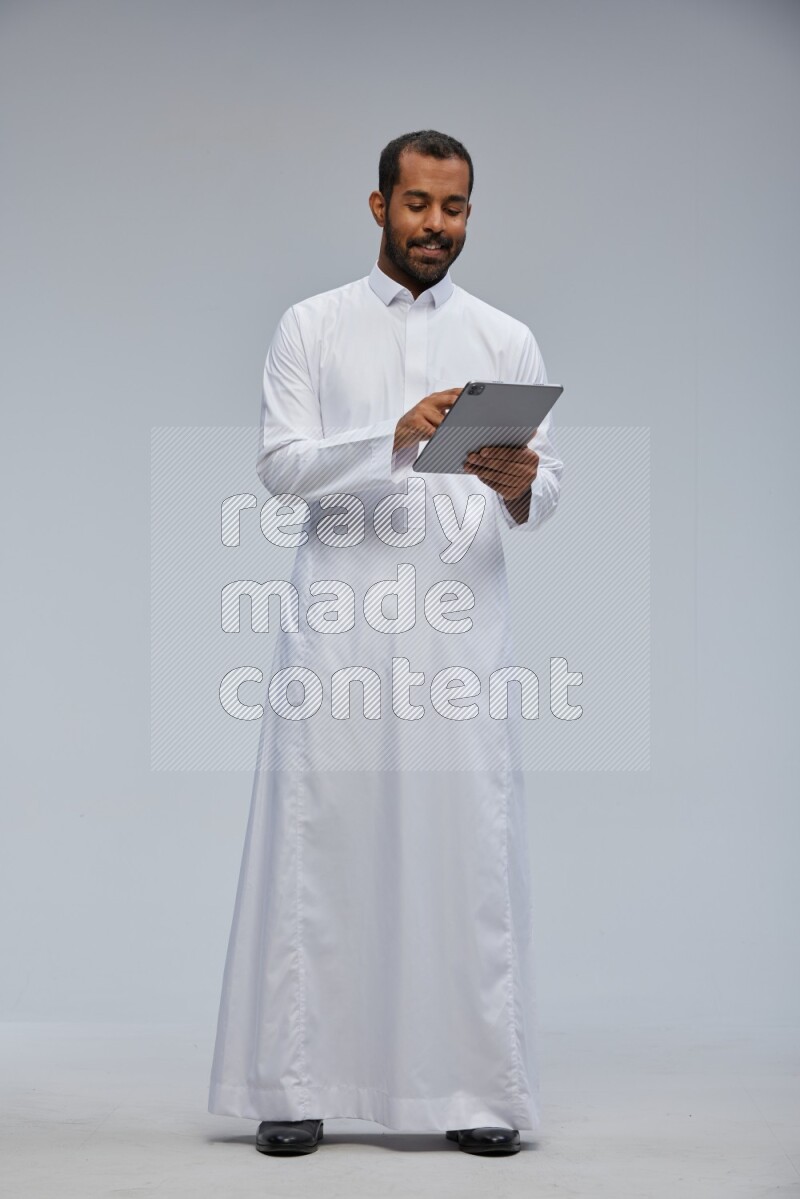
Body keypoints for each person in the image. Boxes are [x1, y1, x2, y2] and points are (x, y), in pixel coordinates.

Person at [208, 129, 563, 1157]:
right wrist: (398, 437)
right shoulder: (310, 327)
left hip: (458, 632)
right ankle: (297, 1081)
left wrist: (516, 483)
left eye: (452, 209)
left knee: (464, 849)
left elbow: (550, 483)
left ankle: (473, 1090)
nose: (434, 227)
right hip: (341, 629)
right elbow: (279, 467)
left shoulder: (506, 336)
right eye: (416, 205)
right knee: (323, 839)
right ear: (377, 207)